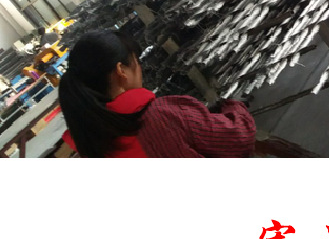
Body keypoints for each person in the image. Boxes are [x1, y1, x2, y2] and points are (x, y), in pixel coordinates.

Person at [58, 29, 256, 158]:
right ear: (121, 71)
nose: (140, 69)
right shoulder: (162, 115)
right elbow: (238, 138)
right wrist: (234, 107)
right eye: (136, 61)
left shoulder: (89, 146)